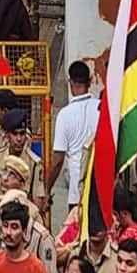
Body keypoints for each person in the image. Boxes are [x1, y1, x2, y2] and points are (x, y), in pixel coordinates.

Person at [49, 61, 98, 215]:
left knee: (75, 233)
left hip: (77, 189)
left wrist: (47, 188)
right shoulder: (102, 108)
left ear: (70, 83)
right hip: (101, 184)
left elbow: (57, 160)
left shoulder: (65, 115)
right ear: (89, 82)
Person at [0, 201, 48, 273]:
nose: (8, 232)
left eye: (14, 227)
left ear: (24, 231)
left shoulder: (36, 268)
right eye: (5, 225)